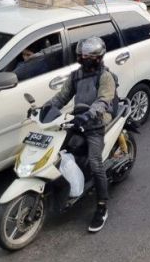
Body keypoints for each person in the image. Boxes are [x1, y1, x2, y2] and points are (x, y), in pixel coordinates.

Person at [44, 37, 116, 233]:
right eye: (82, 55)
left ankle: (102, 206)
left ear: (98, 57)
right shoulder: (75, 75)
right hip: (78, 119)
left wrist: (89, 115)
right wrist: (45, 108)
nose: (84, 58)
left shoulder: (105, 76)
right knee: (59, 150)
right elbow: (62, 96)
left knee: (95, 163)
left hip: (97, 122)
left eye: (88, 56)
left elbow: (103, 100)